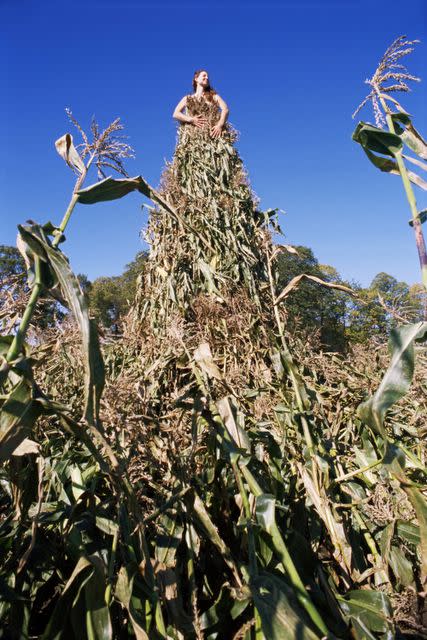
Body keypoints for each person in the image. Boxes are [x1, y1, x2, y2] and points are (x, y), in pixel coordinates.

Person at [173, 70, 229, 139]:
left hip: (211, 135)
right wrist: (191, 119)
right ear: (196, 79)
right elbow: (176, 114)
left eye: (207, 76)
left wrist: (220, 125)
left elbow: (225, 109)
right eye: (204, 76)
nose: (207, 78)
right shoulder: (188, 98)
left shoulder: (213, 96)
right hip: (193, 136)